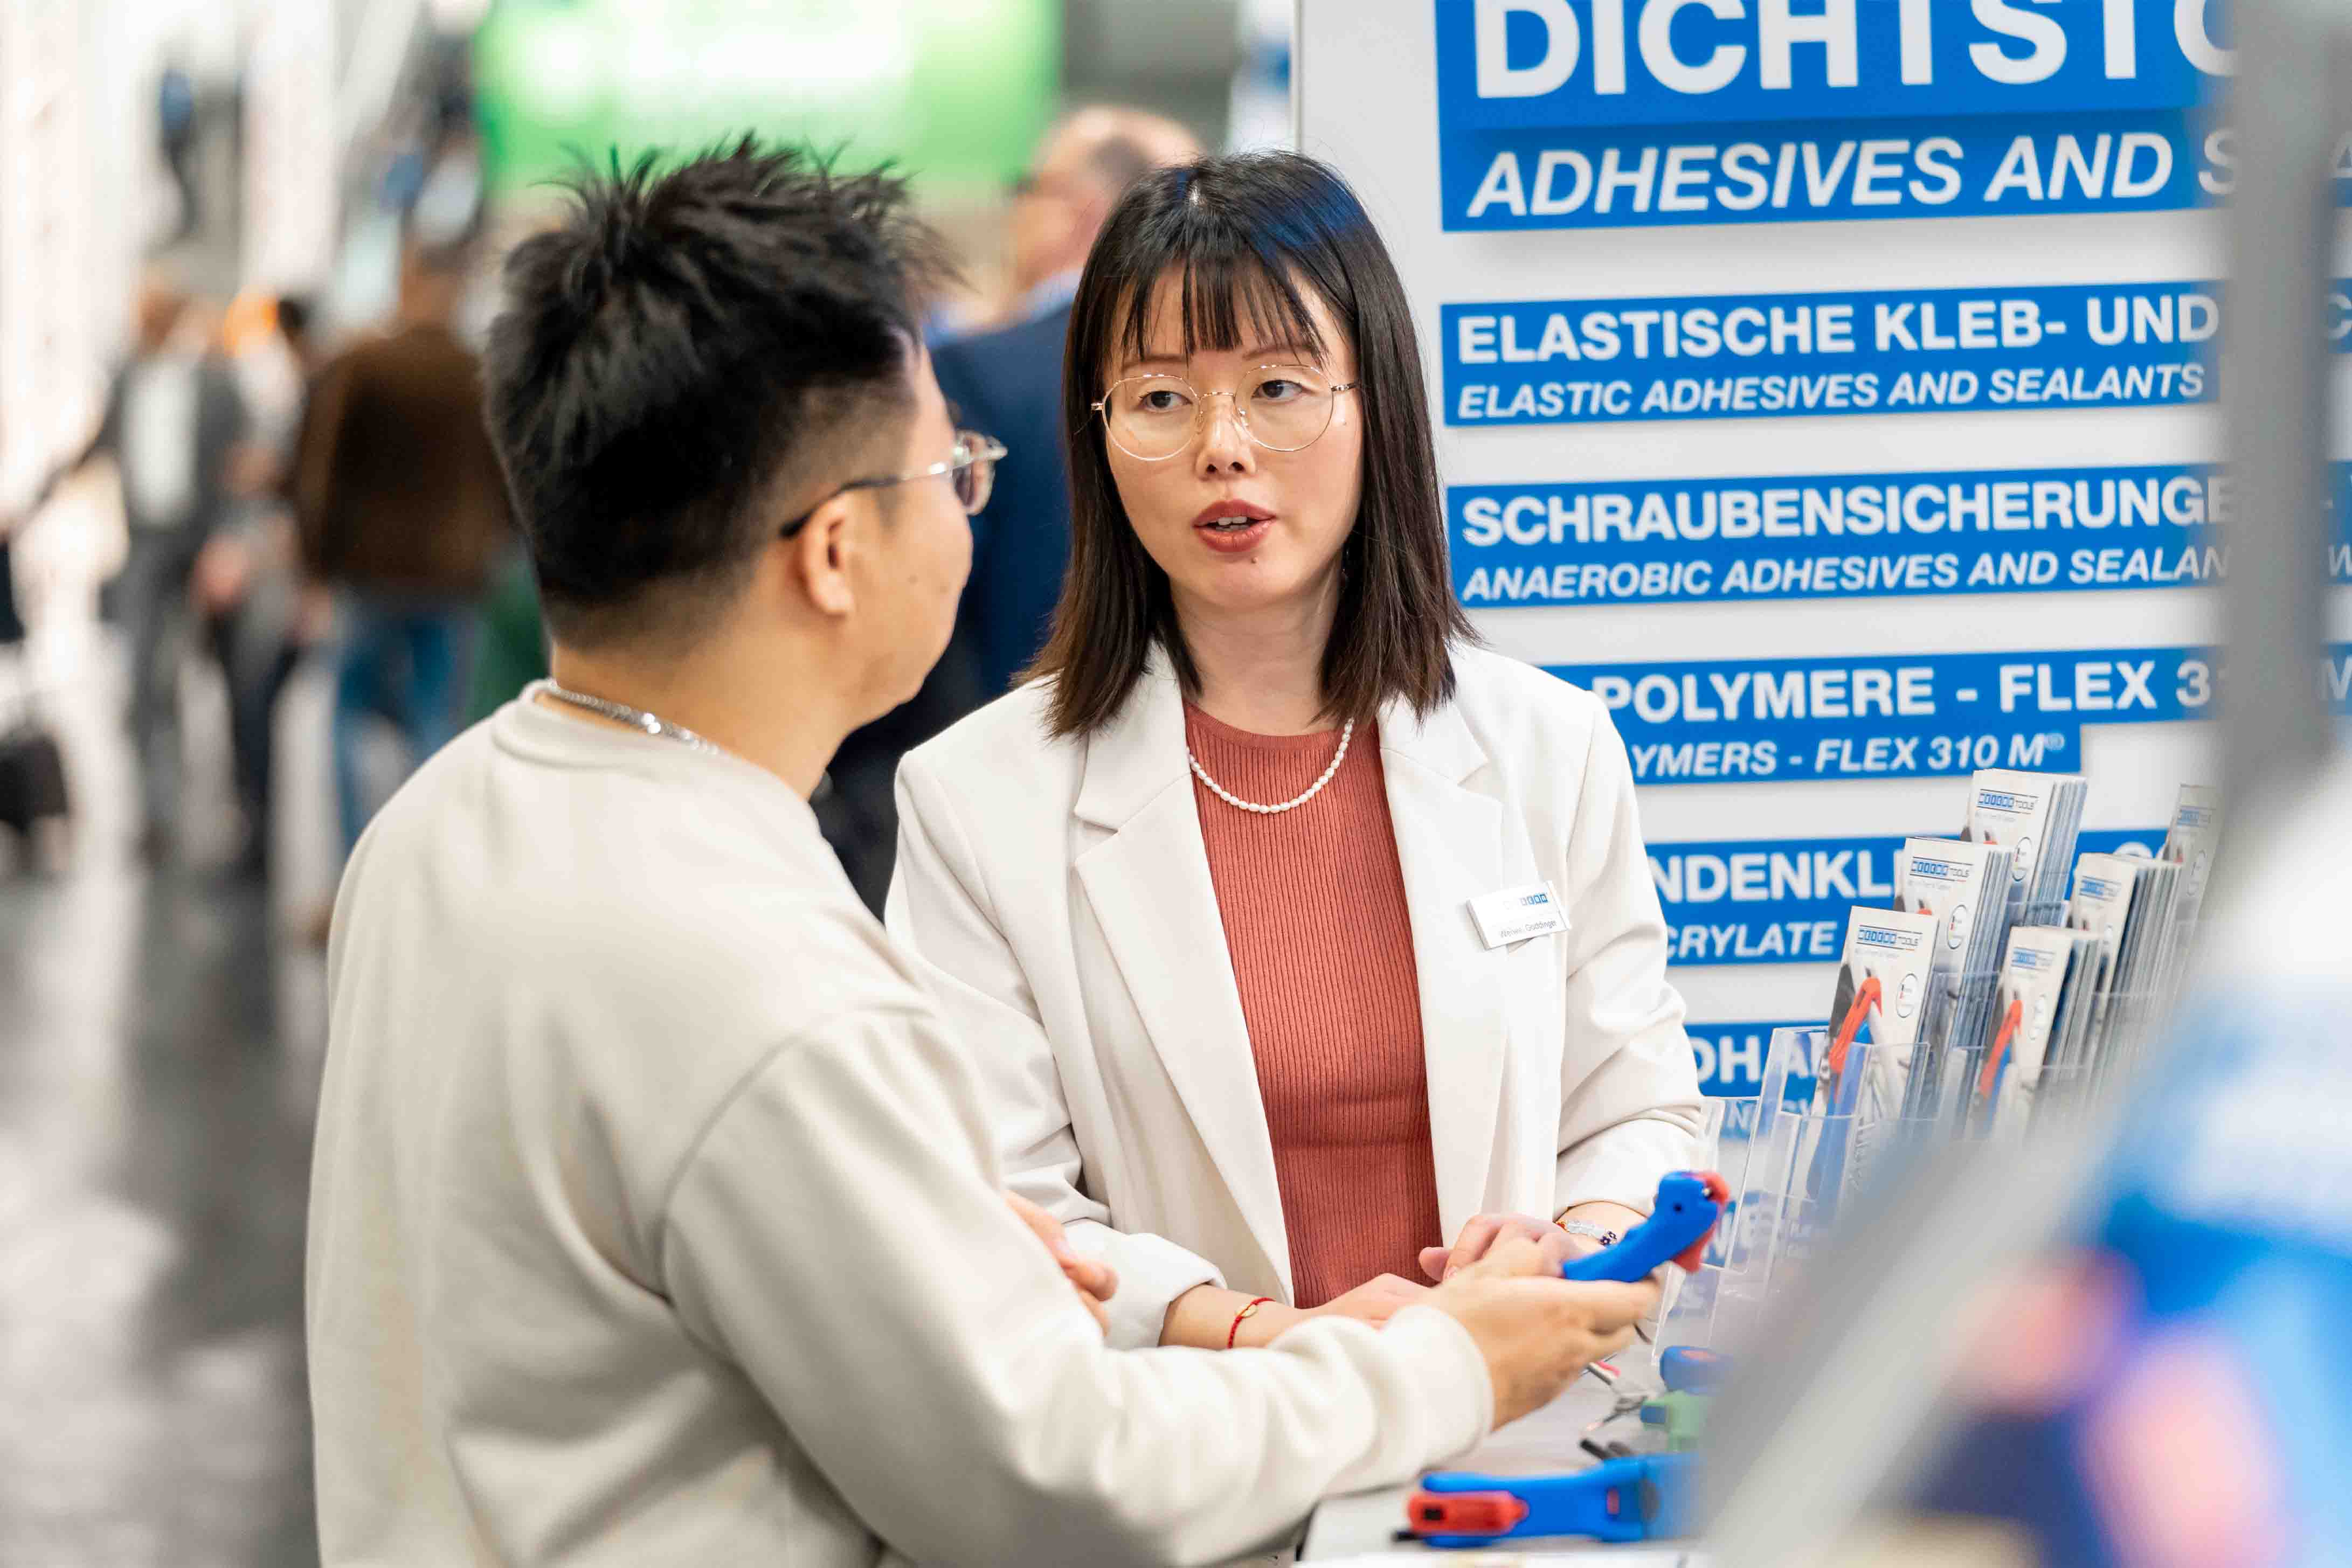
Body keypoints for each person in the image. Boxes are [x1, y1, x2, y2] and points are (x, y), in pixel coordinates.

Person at [305, 141, 1657, 1567]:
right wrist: (1438, 1360)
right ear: (835, 550)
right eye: (949, 469)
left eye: (1276, 385)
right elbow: (1052, 1467)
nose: (973, 505)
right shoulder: (767, 974)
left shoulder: (437, 825)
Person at [886, 151, 1708, 1356]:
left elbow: (1638, 1111)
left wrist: (1567, 1244)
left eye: (1278, 387)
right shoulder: (978, 798)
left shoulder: (1547, 745)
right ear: (1099, 436)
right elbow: (1000, 1206)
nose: (1222, 447)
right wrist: (1267, 1337)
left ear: (1374, 400)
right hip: (1192, 1477)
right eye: (1161, 398)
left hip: (1501, 1458)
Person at [816, 108, 1202, 914]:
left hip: (992, 807)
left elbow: (910, 600)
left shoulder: (969, 371)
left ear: (1076, 207)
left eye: (1029, 191)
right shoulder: (1247, 383)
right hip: (1198, 801)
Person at [292, 240, 510, 859]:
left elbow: (320, 473)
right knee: (436, 723)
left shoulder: (364, 365)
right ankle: (428, 866)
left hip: (371, 572)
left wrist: (315, 563)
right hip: (452, 575)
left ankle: (356, 865)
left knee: (349, 718)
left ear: (405, 283)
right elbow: (505, 479)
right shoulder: (478, 372)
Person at [78, 276, 252, 862]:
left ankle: (247, 814)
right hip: (148, 543)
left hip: (204, 542)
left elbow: (242, 466)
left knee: (233, 677)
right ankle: (156, 813)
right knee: (145, 679)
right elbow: (97, 444)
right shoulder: (127, 377)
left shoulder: (216, 382)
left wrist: (229, 538)